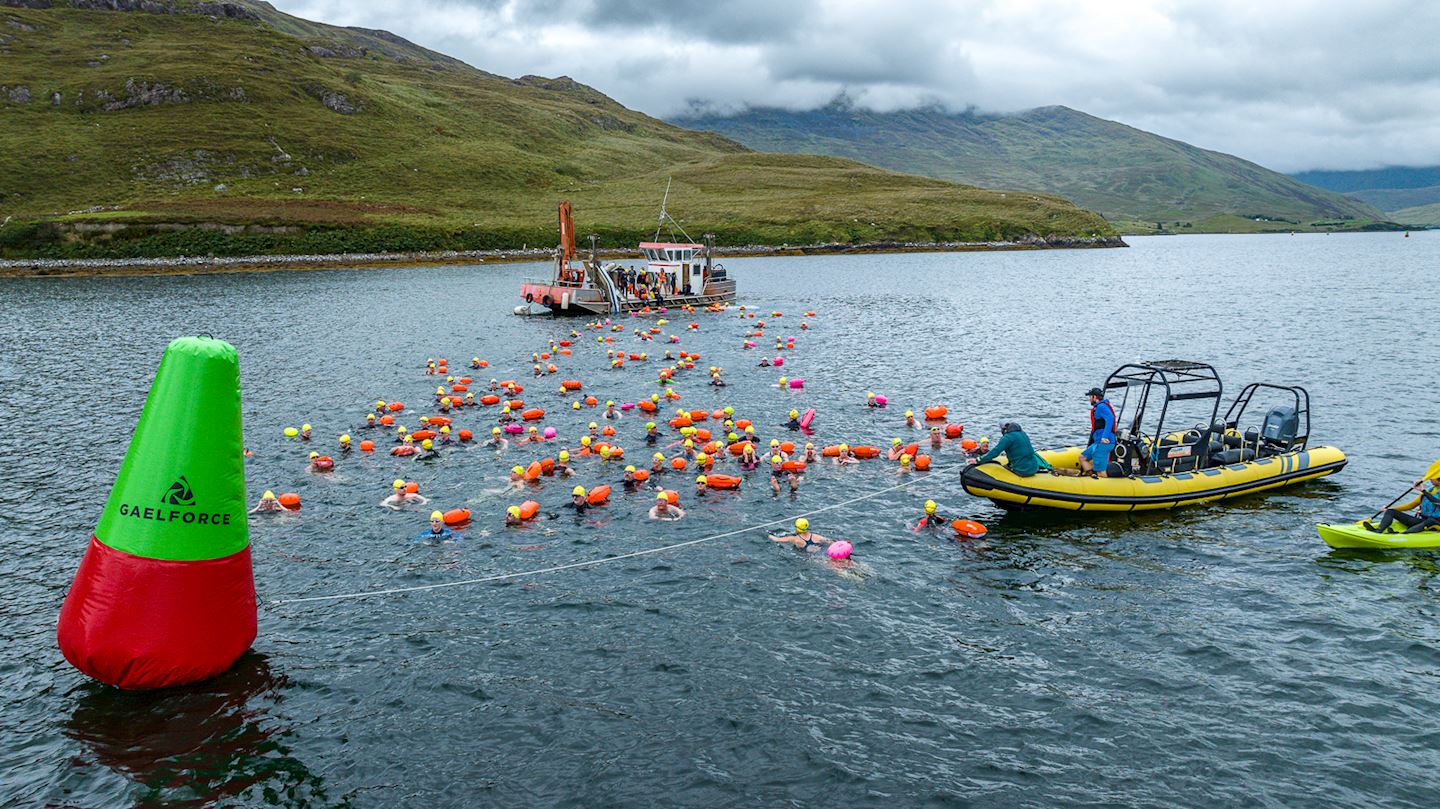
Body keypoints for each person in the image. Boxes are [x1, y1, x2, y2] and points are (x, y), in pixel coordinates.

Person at [1366, 475, 1440, 533]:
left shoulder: (1425, 492)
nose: (1430, 478)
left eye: (1433, 477)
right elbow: (1410, 506)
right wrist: (1388, 509)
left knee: (1431, 520)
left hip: (1436, 524)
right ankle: (1379, 530)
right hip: (1422, 521)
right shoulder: (1430, 491)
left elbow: (1437, 502)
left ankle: (1402, 535)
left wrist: (1423, 491)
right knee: (1391, 511)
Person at [972, 422, 1041, 477]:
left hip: (1022, 470)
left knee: (1000, 470)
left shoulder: (1008, 438)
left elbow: (995, 452)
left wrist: (978, 460)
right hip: (1034, 468)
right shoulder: (1024, 434)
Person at [1078, 386, 1116, 477]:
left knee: (1100, 471)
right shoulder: (1098, 407)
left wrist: (1104, 437)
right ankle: (1093, 477)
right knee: (1082, 458)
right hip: (1097, 442)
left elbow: (1110, 418)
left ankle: (1102, 480)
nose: (1089, 399)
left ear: (1094, 397)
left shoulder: (1101, 406)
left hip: (1103, 443)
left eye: (1090, 397)